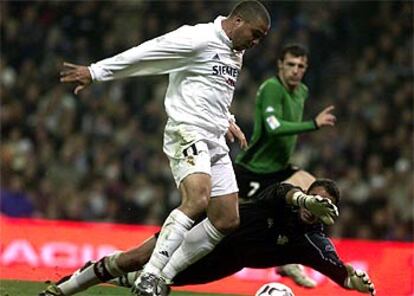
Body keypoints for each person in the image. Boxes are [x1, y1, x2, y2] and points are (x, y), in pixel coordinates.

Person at [59, 1, 270, 295]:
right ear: (237, 21)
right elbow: (147, 52)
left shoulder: (237, 52)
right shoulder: (197, 38)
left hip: (214, 137)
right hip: (187, 130)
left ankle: (161, 275)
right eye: (256, 33)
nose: (257, 42)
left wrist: (228, 120)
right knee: (197, 199)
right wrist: (96, 72)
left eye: (262, 38)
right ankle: (151, 274)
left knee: (227, 219)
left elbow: (215, 90)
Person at [39, 179, 375, 296]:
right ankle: (64, 288)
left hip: (227, 262)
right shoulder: (283, 199)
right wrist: (304, 198)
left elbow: (339, 272)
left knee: (153, 282)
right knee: (137, 259)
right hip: (208, 227)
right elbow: (285, 191)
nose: (313, 207)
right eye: (312, 198)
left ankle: (94, 272)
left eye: (323, 204)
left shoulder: (312, 242)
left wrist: (354, 282)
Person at [234, 43, 336, 285]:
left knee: (312, 188)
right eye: (290, 64)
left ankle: (290, 257)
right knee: (224, 224)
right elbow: (274, 127)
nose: (295, 70)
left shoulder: (302, 91)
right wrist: (313, 124)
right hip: (252, 170)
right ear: (280, 64)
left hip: (279, 169)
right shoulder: (271, 88)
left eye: (301, 66)